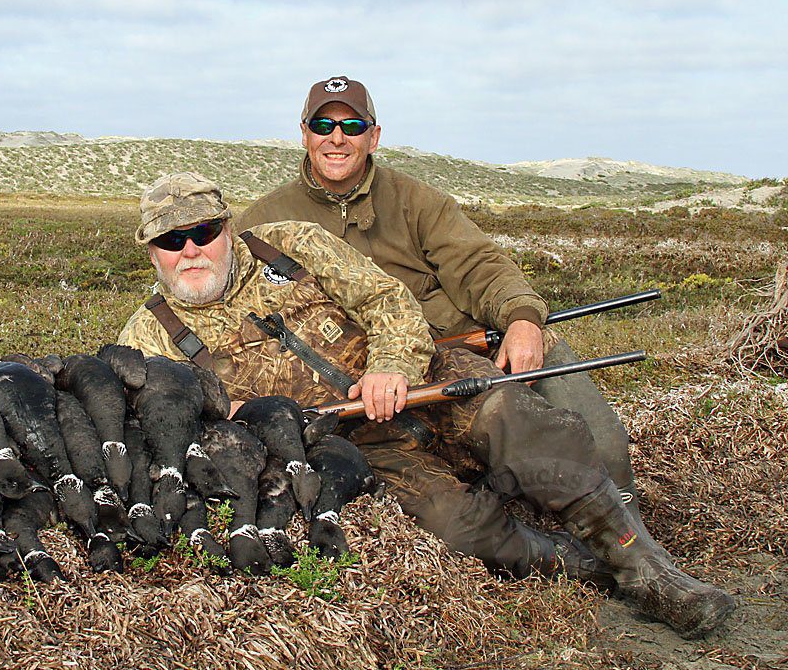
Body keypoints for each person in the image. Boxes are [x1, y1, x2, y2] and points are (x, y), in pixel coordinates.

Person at [118, 172, 736, 639]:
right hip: (354, 445)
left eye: (203, 232)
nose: (191, 250)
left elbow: (390, 301)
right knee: (459, 526)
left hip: (430, 379)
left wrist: (393, 366)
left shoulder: (294, 243)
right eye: (172, 241)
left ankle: (651, 572)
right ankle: (592, 566)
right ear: (151, 251)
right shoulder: (143, 338)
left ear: (227, 228)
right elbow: (173, 434)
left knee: (517, 423)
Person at [237, 75, 640, 512]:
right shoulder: (263, 221)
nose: (337, 139)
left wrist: (522, 318)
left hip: (454, 347)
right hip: (356, 379)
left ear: (374, 137)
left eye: (352, 127)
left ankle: (621, 515)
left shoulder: (418, 200)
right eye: (323, 126)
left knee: (550, 365)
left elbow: (478, 264)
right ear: (304, 134)